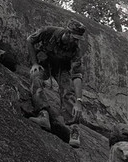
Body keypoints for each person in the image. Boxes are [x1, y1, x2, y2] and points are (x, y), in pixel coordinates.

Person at [27, 20, 86, 148]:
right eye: (75, 38)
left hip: (61, 68)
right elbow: (30, 40)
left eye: (79, 39)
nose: (77, 41)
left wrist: (79, 101)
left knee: (68, 91)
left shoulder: (76, 50)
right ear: (68, 33)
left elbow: (77, 76)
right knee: (35, 76)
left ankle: (74, 130)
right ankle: (43, 115)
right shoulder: (49, 32)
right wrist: (34, 63)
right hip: (44, 61)